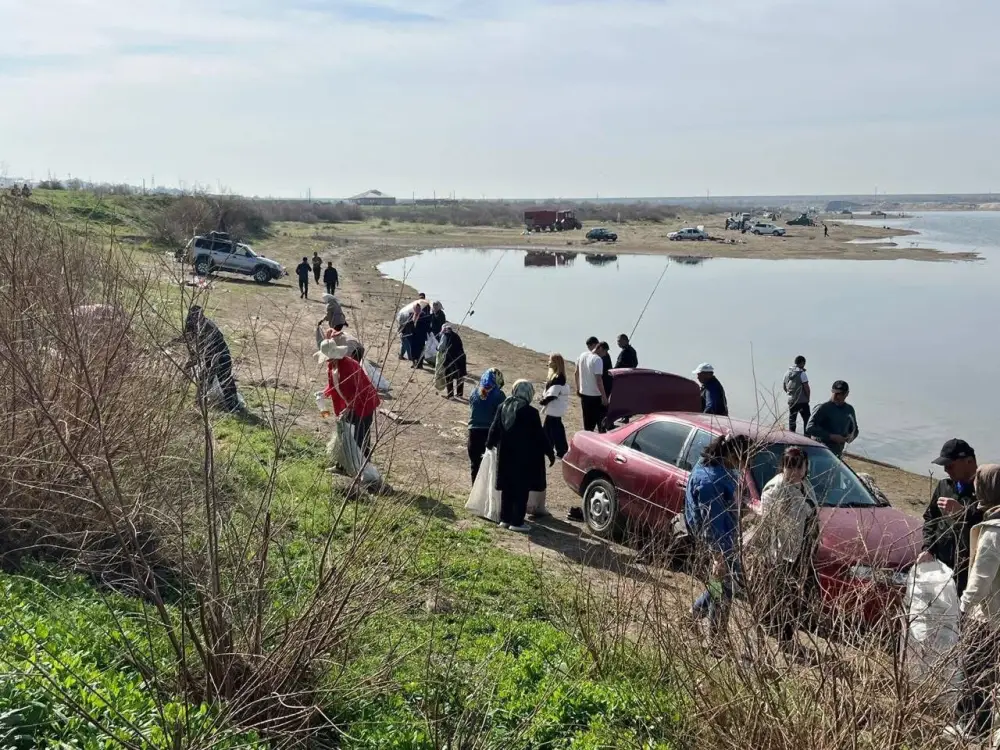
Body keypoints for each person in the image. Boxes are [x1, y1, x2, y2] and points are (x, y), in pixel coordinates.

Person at [684, 433, 753, 647]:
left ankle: (695, 613)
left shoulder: (714, 465)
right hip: (718, 541)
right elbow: (711, 523)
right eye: (744, 460)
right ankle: (716, 639)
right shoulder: (711, 481)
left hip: (726, 536)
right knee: (724, 590)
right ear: (733, 455)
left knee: (720, 586)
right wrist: (718, 556)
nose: (745, 466)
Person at [751, 446, 818, 650]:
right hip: (782, 553)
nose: (795, 472)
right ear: (783, 466)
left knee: (793, 595)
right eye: (791, 467)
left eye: (799, 467)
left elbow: (811, 513)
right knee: (784, 596)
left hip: (802, 549)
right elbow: (769, 523)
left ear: (806, 467)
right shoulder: (776, 488)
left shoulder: (805, 485)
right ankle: (784, 639)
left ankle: (774, 630)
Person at [951, 464, 1000, 741]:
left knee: (975, 670)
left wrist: (963, 608)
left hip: (987, 617)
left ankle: (971, 729)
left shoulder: (994, 530)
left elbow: (981, 580)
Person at [487, 380, 555, 532]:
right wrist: (550, 453)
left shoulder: (503, 407)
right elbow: (540, 436)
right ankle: (517, 522)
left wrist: (489, 445)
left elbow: (494, 429)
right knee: (521, 490)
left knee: (507, 488)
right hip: (523, 459)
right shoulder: (530, 412)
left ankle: (505, 519)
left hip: (505, 456)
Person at [918, 439, 982, 596]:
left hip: (969, 570)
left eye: (950, 465)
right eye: (944, 466)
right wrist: (928, 548)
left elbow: (991, 525)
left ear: (969, 461)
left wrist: (963, 512)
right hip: (941, 565)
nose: (946, 470)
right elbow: (930, 518)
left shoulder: (987, 490)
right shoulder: (944, 486)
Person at [317, 332, 380, 457]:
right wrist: (324, 393)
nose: (328, 360)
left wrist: (349, 408)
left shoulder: (348, 366)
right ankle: (345, 463)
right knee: (346, 434)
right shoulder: (331, 366)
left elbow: (357, 391)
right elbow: (334, 385)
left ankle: (362, 463)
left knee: (359, 436)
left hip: (363, 403)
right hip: (350, 405)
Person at [184, 305, 239, 412]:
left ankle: (233, 407)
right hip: (209, 356)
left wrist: (195, 362)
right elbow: (191, 341)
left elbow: (208, 350)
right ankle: (199, 405)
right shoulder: (192, 325)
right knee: (203, 381)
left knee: (225, 381)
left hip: (221, 355)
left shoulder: (208, 327)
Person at [467, 368, 505, 483]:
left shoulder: (474, 392)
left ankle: (474, 491)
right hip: (490, 434)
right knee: (491, 468)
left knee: (475, 466)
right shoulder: (499, 395)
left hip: (473, 433)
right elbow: (502, 416)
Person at [805, 380, 858, 457]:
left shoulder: (849, 410)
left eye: (841, 394)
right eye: (836, 393)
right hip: (819, 451)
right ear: (832, 392)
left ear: (847, 393)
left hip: (837, 454)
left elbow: (854, 430)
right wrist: (831, 436)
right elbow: (809, 428)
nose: (838, 396)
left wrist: (849, 437)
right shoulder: (822, 408)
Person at [539, 354, 571, 459]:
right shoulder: (557, 376)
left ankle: (561, 450)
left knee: (555, 429)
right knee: (549, 428)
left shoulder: (558, 378)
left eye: (551, 361)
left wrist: (544, 401)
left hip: (554, 408)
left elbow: (553, 393)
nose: (549, 363)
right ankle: (547, 447)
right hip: (554, 408)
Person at [574, 337, 608, 433]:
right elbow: (599, 380)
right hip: (595, 396)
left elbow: (576, 373)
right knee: (601, 424)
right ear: (600, 348)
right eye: (605, 352)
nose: (605, 355)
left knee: (588, 424)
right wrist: (604, 397)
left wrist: (578, 388)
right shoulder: (597, 360)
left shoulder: (582, 355)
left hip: (584, 394)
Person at [437, 324, 467, 398]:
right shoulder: (456, 335)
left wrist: (436, 348)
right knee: (459, 376)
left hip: (451, 358)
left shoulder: (445, 335)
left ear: (444, 329)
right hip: (461, 358)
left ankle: (450, 395)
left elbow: (441, 347)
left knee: (449, 376)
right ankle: (459, 394)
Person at [783, 355, 811, 433]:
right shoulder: (802, 374)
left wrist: (790, 395)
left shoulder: (787, 373)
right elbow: (806, 388)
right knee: (807, 419)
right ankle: (807, 436)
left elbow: (784, 387)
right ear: (802, 363)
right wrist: (808, 398)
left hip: (792, 401)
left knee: (792, 420)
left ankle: (791, 436)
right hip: (802, 401)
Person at [410, 301, 432, 367]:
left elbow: (427, 326)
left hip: (421, 336)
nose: (417, 309)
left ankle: (420, 364)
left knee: (420, 350)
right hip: (413, 336)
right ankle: (414, 363)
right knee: (413, 350)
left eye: (418, 308)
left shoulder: (424, 316)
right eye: (416, 308)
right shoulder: (412, 315)